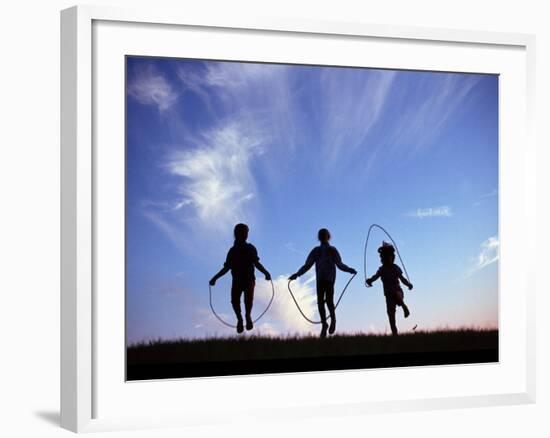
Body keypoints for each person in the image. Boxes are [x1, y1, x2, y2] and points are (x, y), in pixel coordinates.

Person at [289, 228, 357, 338]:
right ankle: (324, 324)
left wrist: (349, 269)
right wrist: (297, 274)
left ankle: (333, 320)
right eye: (322, 235)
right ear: (320, 237)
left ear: (328, 236)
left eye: (324, 234)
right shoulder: (316, 251)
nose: (323, 236)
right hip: (320, 279)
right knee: (320, 302)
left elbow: (339, 264)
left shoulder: (332, 250)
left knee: (329, 300)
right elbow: (307, 265)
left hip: (329, 279)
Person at [209, 223, 271, 334]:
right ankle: (240, 319)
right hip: (237, 280)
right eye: (243, 232)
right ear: (237, 234)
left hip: (248, 279)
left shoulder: (249, 248)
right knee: (235, 301)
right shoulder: (232, 251)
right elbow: (227, 268)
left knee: (247, 300)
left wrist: (266, 272)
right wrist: (215, 278)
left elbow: (256, 263)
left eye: (246, 232)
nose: (245, 235)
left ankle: (247, 316)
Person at [365, 242, 413, 336]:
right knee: (391, 314)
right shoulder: (382, 269)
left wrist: (408, 285)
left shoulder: (395, 268)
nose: (385, 259)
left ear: (392, 258)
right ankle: (395, 334)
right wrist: (370, 280)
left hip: (397, 291)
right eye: (383, 258)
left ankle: (404, 306)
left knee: (396, 295)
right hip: (388, 295)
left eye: (388, 257)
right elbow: (376, 276)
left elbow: (402, 279)